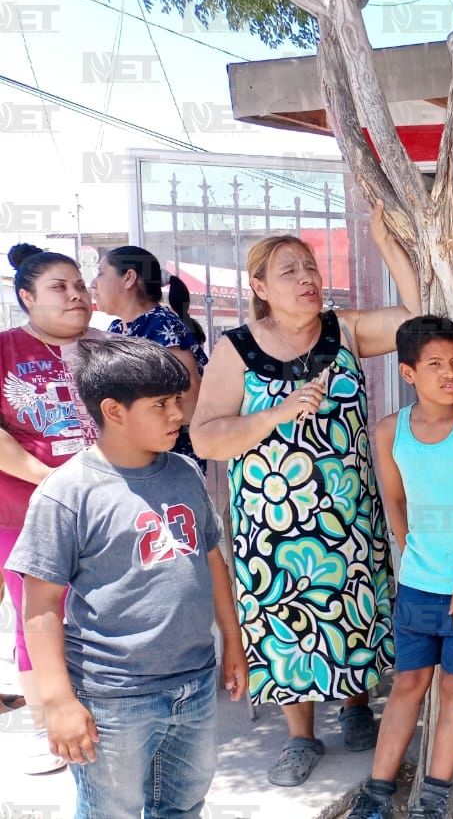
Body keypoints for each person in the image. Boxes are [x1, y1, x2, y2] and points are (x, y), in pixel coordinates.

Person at [190, 202, 420, 786]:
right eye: (290, 270)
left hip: (349, 511)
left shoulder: (343, 330)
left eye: (311, 267)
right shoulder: (236, 349)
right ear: (261, 287)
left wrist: (386, 243)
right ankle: (300, 736)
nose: (307, 278)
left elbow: (420, 317)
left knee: (355, 608)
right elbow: (206, 435)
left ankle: (357, 707)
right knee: (288, 620)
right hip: (275, 521)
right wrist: (276, 416)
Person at [5, 336, 247, 818]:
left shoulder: (184, 473)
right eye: (161, 404)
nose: (178, 414)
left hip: (193, 685)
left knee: (183, 805)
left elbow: (211, 559)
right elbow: (39, 609)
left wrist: (233, 644)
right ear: (114, 411)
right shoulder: (68, 493)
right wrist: (59, 703)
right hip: (113, 697)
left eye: (177, 401)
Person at [347, 316, 453, 819]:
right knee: (409, 684)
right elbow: (394, 501)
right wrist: (408, 552)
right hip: (418, 584)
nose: (451, 374)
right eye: (436, 364)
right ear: (408, 372)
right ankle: (376, 794)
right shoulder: (390, 430)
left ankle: (432, 802)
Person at [0, 243, 100, 775]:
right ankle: (48, 728)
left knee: (105, 610)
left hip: (108, 510)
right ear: (26, 296)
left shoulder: (107, 348)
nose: (76, 295)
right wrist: (53, 479)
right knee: (37, 618)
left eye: (80, 285)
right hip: (27, 513)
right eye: (60, 287)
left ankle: (105, 710)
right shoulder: (5, 349)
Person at [92, 245, 208, 466]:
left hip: (169, 458)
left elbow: (191, 396)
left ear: (128, 278)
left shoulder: (159, 324)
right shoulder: (118, 329)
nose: (93, 284)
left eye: (100, 273)